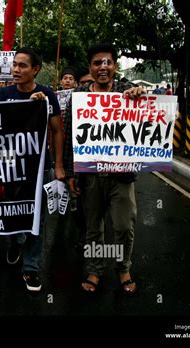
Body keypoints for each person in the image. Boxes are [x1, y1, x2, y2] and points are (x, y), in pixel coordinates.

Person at [63, 42, 145, 295]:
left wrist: (139, 94)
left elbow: (144, 119)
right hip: (89, 176)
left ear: (115, 66)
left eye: (108, 62)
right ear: (90, 67)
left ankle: (123, 268)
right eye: (97, 62)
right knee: (93, 228)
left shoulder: (126, 92)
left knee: (123, 226)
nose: (103, 67)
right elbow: (69, 138)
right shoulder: (77, 97)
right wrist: (69, 173)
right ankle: (95, 269)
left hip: (121, 175)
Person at [0, 47, 65, 292]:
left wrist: (58, 166)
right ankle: (15, 242)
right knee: (11, 213)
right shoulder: (4, 94)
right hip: (9, 168)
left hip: (39, 168)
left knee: (38, 219)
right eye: (14, 64)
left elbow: (57, 131)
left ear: (35, 70)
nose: (16, 69)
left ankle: (31, 268)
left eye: (22, 66)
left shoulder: (46, 95)